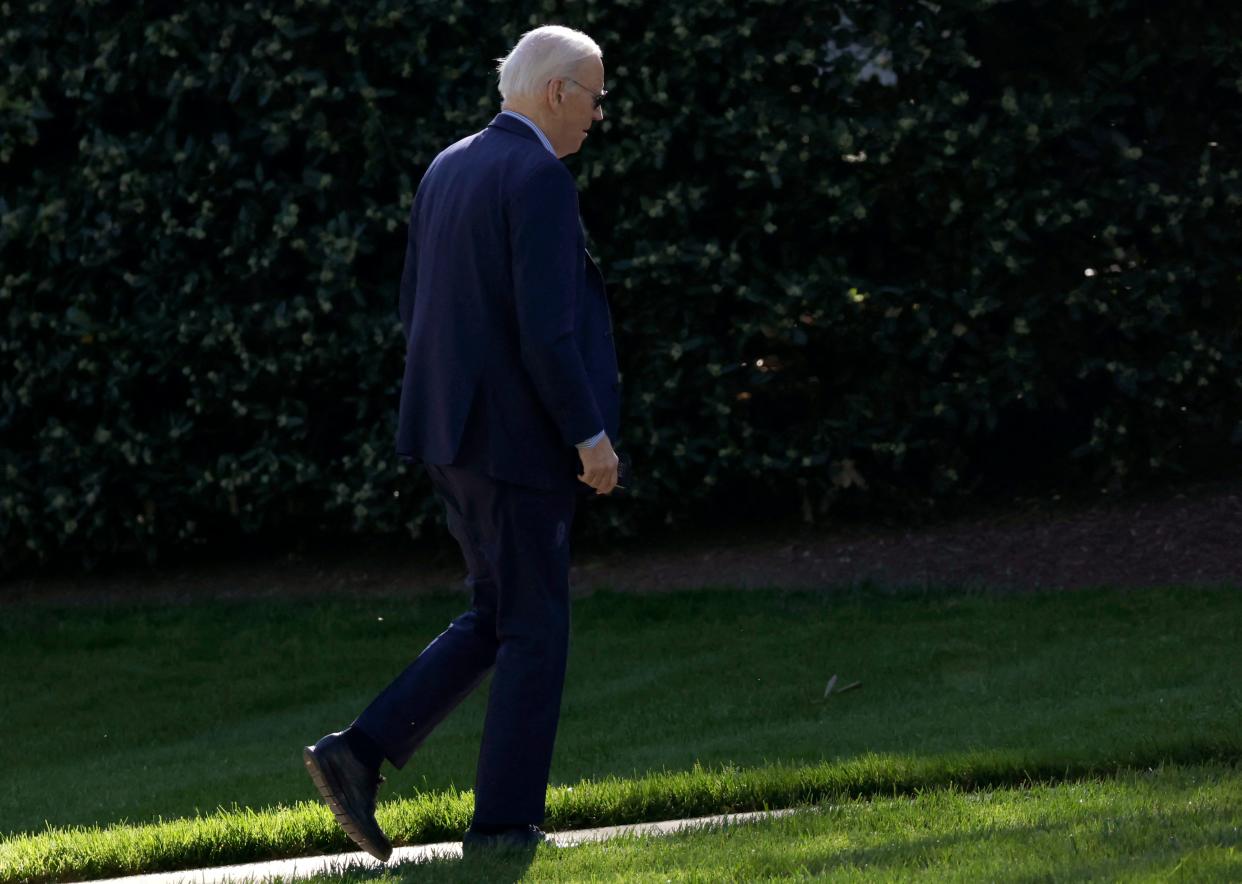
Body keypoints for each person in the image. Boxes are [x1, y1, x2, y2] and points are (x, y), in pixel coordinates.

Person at [301, 24, 621, 859]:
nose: (596, 115)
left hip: (450, 435)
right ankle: (505, 826)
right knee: (534, 630)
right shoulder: (539, 177)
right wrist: (589, 436)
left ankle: (358, 753)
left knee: (498, 613)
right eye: (594, 96)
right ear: (557, 93)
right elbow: (548, 335)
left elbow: (419, 308)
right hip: (517, 444)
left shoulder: (450, 164)